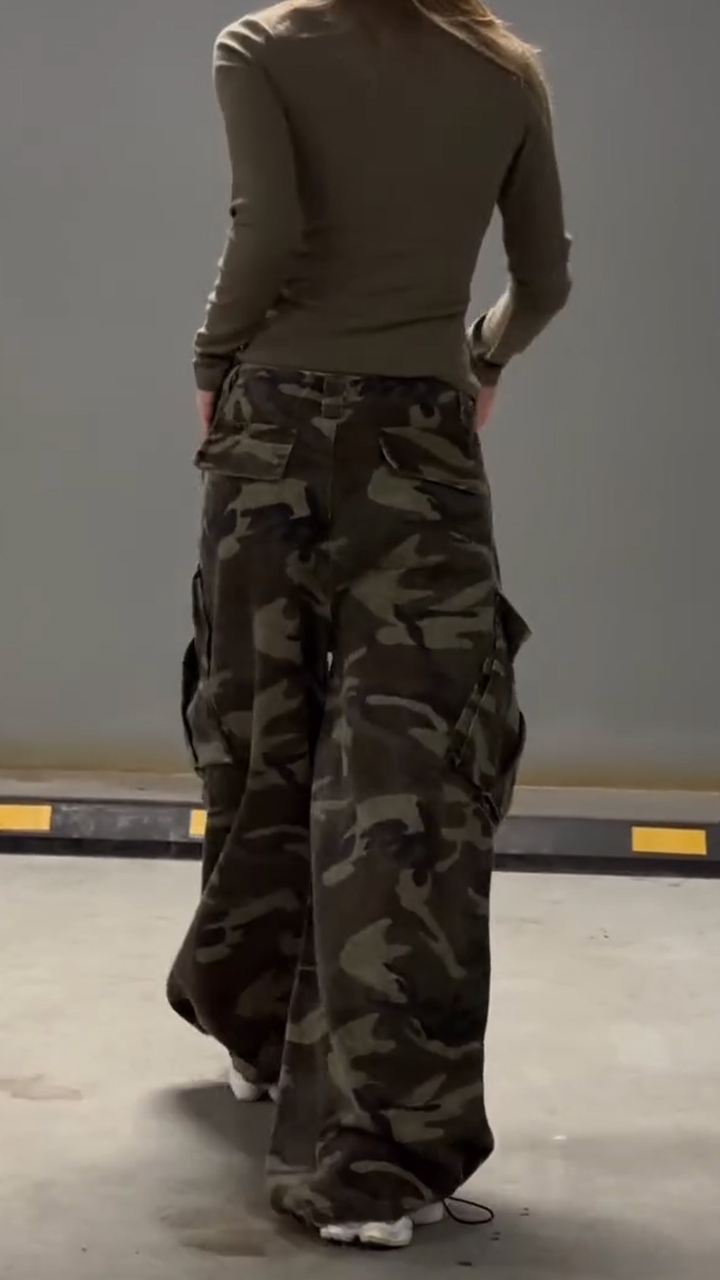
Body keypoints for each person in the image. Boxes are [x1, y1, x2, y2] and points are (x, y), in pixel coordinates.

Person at [167, 0, 571, 1250]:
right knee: (409, 783)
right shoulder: (504, 70)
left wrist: (214, 363)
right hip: (422, 445)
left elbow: (269, 229)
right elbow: (545, 279)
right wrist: (479, 356)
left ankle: (250, 1028)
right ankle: (378, 1160)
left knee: (257, 734)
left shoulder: (261, 47)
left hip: (273, 431)